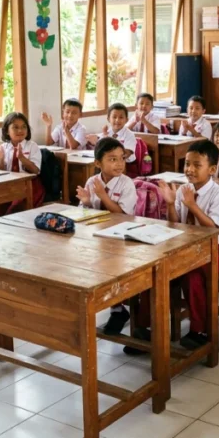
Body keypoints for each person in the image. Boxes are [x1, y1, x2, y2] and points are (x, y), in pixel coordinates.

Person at [157, 140, 219, 350]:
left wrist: (192, 205)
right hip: (188, 247)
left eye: (197, 165)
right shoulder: (184, 190)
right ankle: (151, 328)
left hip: (215, 249)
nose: (189, 169)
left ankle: (201, 329)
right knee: (159, 270)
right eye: (187, 164)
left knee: (193, 276)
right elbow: (177, 224)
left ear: (212, 169)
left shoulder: (218, 194)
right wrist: (171, 203)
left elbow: (214, 229)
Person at [80, 137, 139, 335]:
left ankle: (119, 310)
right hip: (99, 236)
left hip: (123, 238)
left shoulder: (126, 184)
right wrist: (88, 202)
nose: (119, 163)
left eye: (122, 158)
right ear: (98, 163)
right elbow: (86, 211)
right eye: (112, 159)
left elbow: (123, 214)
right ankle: (115, 308)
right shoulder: (92, 181)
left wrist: (103, 197)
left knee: (117, 270)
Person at [0, 112, 44, 214]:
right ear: (7, 131)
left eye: (23, 127)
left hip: (29, 186)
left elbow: (36, 170)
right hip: (9, 185)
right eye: (15, 127)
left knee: (14, 209)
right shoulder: (3, 147)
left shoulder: (32, 146)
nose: (20, 130)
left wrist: (22, 158)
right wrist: (1, 159)